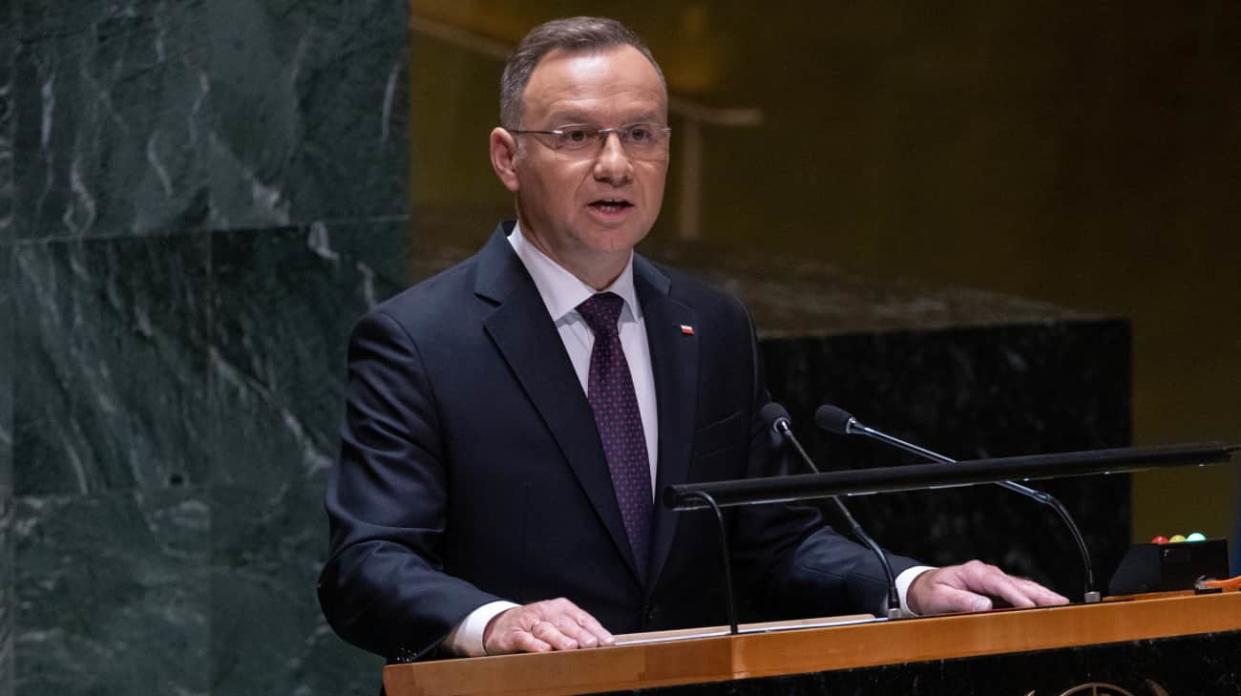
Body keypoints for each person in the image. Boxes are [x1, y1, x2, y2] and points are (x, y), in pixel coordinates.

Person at [317, 16, 1066, 662]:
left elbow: (771, 538)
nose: (615, 163)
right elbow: (368, 564)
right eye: (575, 135)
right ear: (508, 157)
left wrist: (908, 585)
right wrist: (493, 622)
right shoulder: (419, 340)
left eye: (639, 134)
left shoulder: (709, 325)